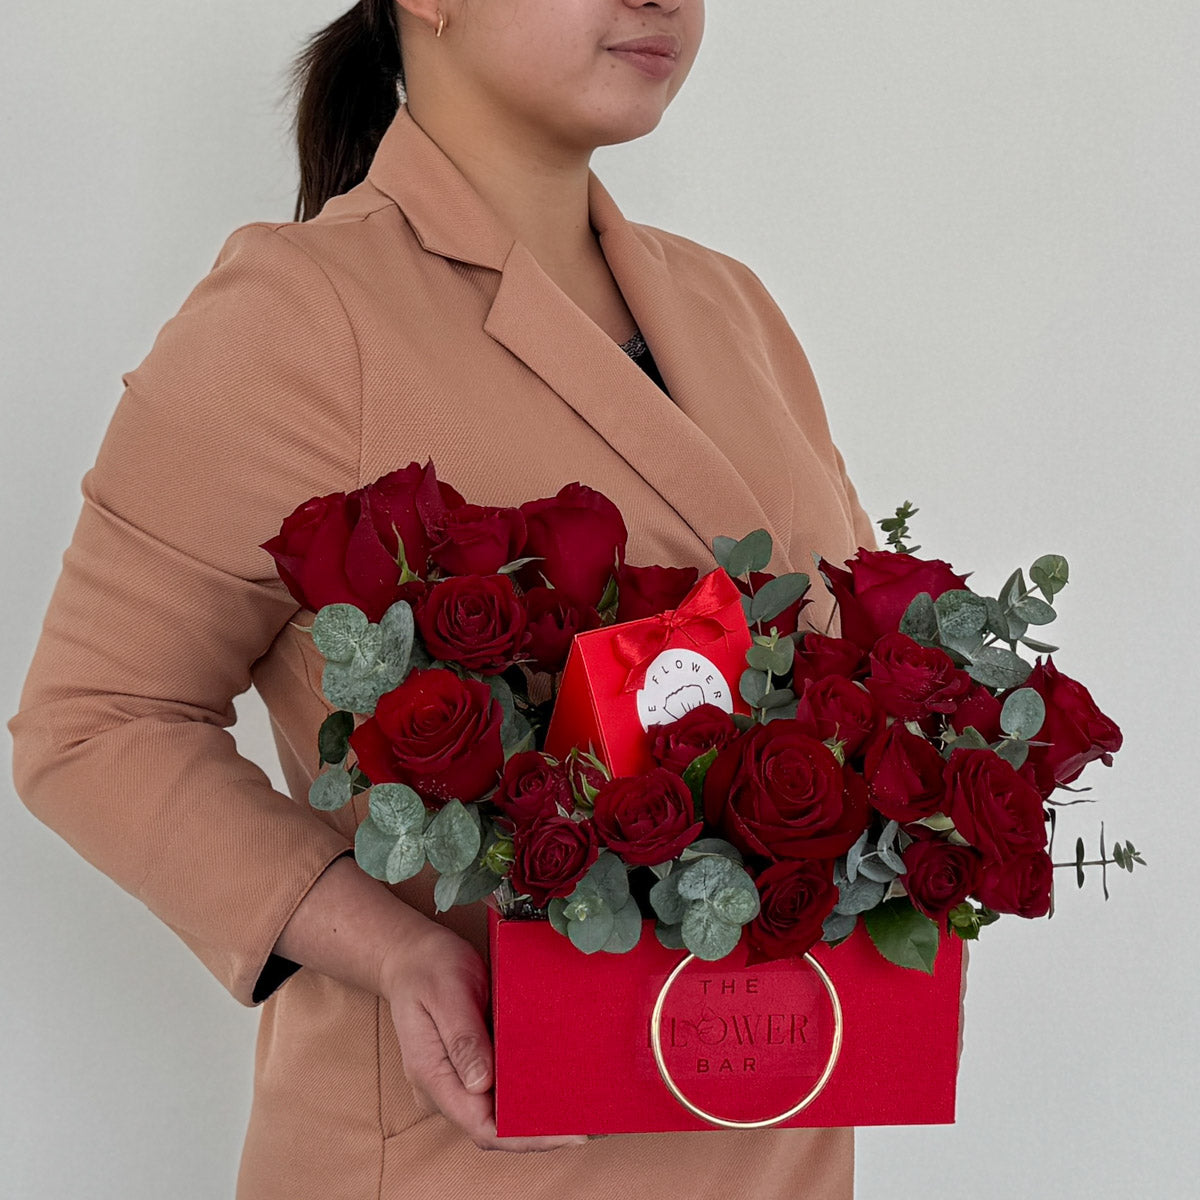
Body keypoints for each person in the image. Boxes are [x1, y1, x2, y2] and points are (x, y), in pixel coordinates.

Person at [8, 2, 880, 1196]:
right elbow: (95, 721)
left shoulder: (737, 311)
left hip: (776, 1130)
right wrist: (394, 949)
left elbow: (864, 684)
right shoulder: (299, 313)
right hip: (479, 1157)